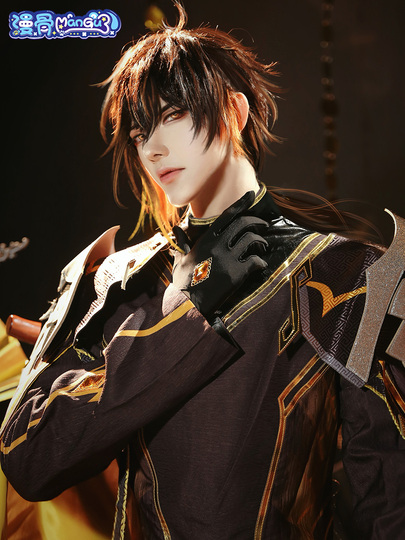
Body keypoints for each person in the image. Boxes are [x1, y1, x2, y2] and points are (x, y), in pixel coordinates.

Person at [1, 3, 404, 539]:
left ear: (234, 111)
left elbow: (389, 506)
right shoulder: (118, 279)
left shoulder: (349, 272)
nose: (154, 149)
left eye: (174, 115)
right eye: (139, 132)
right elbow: (28, 458)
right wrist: (190, 318)